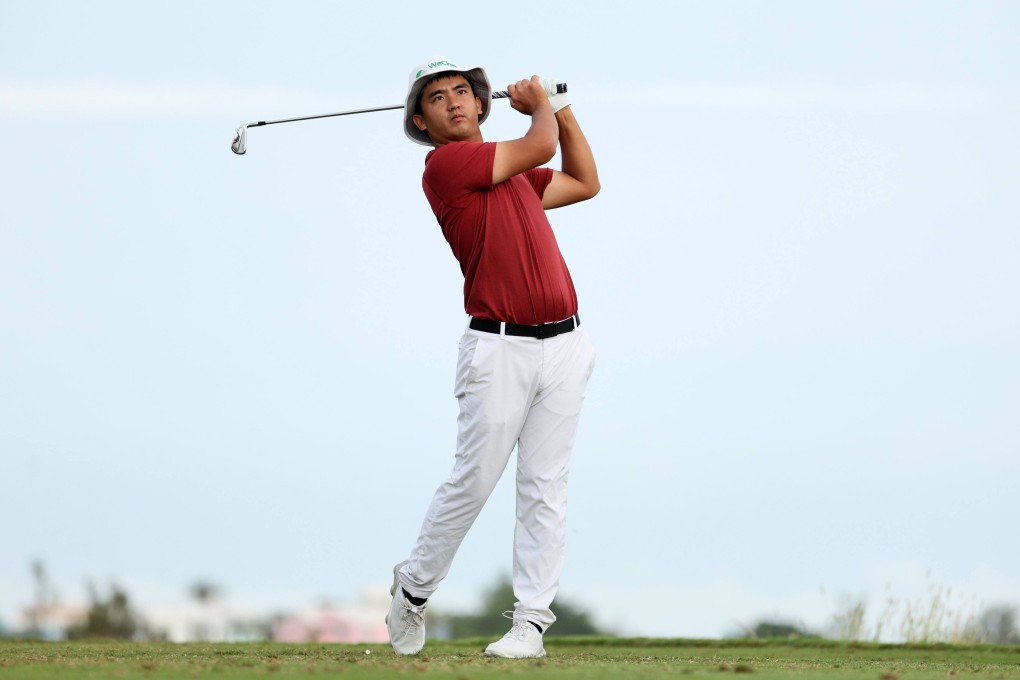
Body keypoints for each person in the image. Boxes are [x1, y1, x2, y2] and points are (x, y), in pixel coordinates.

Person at [386, 56, 600, 659]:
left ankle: (530, 624)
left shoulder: (517, 177)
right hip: (498, 348)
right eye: (436, 98)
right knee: (474, 482)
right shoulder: (446, 166)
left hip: (565, 345)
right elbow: (539, 145)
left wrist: (562, 108)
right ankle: (413, 588)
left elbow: (584, 181)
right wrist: (541, 108)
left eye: (462, 91)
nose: (454, 102)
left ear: (481, 104)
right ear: (422, 122)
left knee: (545, 487)